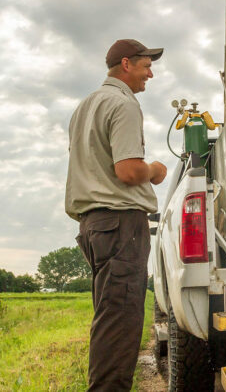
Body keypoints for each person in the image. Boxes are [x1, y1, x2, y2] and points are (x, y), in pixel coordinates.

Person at [65, 39, 167, 391]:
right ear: (126, 64)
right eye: (145, 65)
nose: (150, 73)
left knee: (109, 318)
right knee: (122, 321)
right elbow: (127, 171)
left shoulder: (85, 106)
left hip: (93, 225)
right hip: (121, 223)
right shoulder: (123, 103)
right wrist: (154, 170)